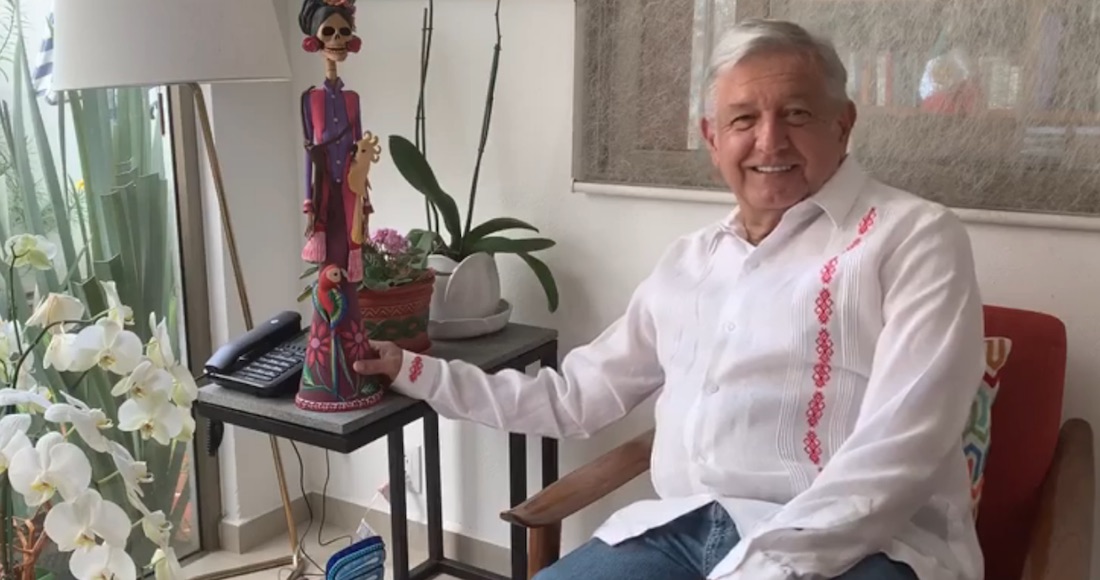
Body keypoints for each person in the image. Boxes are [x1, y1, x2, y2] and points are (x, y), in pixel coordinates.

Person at [355, 18, 984, 580]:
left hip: (866, 546)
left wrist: (759, 568)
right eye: (743, 120)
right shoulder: (690, 262)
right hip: (682, 532)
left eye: (796, 114)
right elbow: (574, 399)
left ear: (842, 125)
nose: (769, 141)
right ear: (713, 138)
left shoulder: (914, 238)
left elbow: (901, 447)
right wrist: (415, 371)